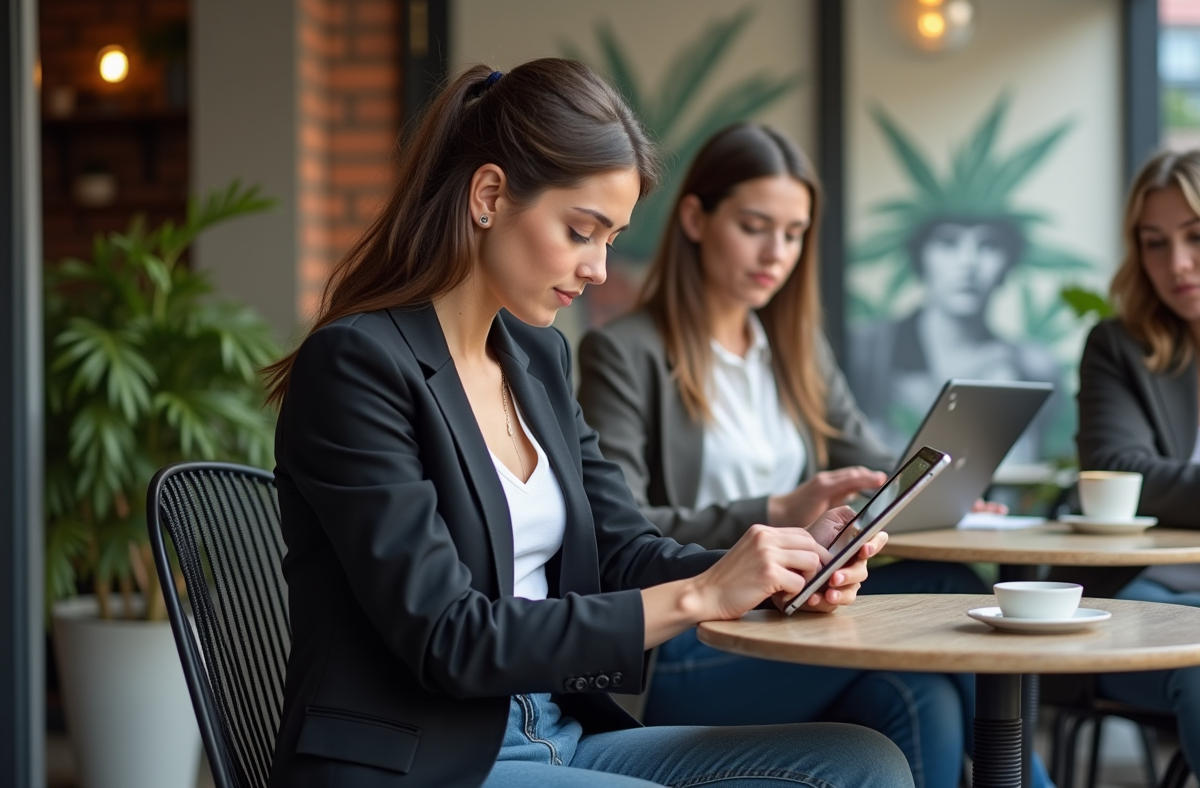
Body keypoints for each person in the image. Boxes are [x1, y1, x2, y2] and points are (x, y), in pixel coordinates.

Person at [262, 61, 914, 788]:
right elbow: (447, 636)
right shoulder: (358, 365)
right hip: (424, 761)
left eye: (611, 239)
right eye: (581, 232)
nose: (600, 269)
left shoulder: (537, 359)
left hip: (557, 734)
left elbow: (622, 551)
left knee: (865, 764)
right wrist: (701, 595)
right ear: (488, 196)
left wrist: (773, 570)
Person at [577, 123, 1022, 788]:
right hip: (691, 643)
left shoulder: (794, 349)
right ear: (695, 219)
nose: (776, 253)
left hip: (789, 619)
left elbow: (872, 463)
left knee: (919, 693)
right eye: (754, 227)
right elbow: (620, 528)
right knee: (948, 589)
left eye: (793, 234)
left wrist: (944, 493)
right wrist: (777, 510)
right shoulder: (624, 352)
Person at [1076, 149, 1200, 774]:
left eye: (1195, 236)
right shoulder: (1119, 346)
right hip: (1149, 593)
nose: (1176, 263)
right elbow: (1119, 471)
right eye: (1155, 243)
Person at [850, 214, 1060, 462]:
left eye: (988, 245)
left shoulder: (1034, 365)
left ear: (1007, 264)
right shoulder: (868, 350)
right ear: (920, 258)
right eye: (948, 243)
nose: (968, 263)